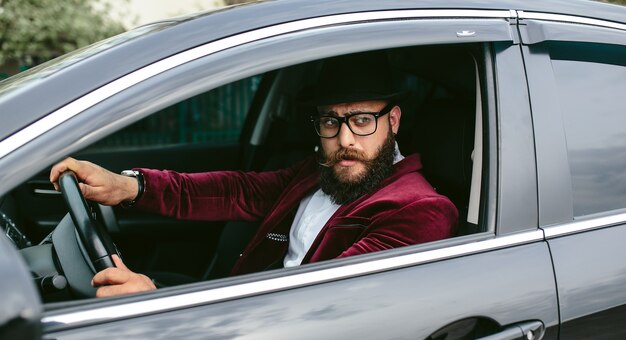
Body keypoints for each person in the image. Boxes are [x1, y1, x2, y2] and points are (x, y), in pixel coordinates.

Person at [50, 52, 458, 297]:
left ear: (395, 121)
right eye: (330, 121)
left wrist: (159, 306)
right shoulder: (320, 171)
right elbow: (235, 191)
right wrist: (129, 186)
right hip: (252, 303)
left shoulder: (420, 211)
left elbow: (323, 305)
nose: (345, 138)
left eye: (363, 120)